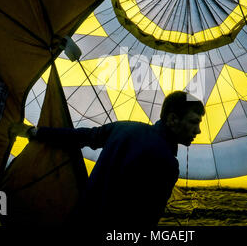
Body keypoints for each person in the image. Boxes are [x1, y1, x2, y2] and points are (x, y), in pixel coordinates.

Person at [11, 91, 205, 228]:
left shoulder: (123, 128)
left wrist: (34, 132)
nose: (198, 130)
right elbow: (146, 221)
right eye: (194, 122)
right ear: (172, 119)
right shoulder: (168, 164)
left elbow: (79, 136)